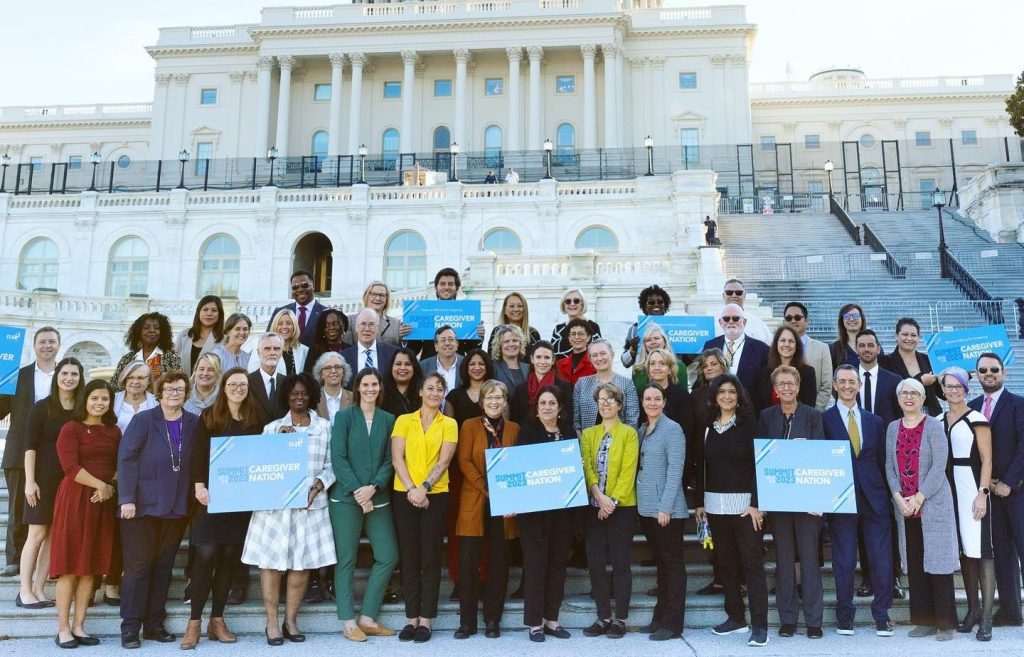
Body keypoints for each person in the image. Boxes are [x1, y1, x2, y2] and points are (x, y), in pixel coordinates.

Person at [242, 372, 336, 645]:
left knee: (301, 566)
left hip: (310, 505)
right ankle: (271, 622)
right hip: (275, 509)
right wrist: (277, 444)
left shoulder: (325, 427)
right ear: (286, 396)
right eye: (293, 393)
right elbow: (259, 467)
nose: (298, 397)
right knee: (270, 565)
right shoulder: (271, 429)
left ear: (312, 396)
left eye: (304, 393)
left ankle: (290, 621)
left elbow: (332, 465)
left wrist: (317, 487)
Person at [182, 368, 262, 649]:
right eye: (232, 384)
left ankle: (217, 620)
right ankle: (194, 623)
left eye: (242, 384)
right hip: (211, 498)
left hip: (240, 500)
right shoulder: (209, 417)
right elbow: (197, 455)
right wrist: (199, 486)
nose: (238, 388)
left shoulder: (255, 419)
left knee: (230, 556)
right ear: (224, 387)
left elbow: (261, 454)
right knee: (206, 554)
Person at [117, 371, 198, 649]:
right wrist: (126, 498)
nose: (175, 393)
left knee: (163, 568)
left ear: (186, 393)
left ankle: (153, 625)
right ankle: (130, 628)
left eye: (180, 389)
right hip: (141, 507)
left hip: (177, 507)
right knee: (138, 567)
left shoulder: (194, 423)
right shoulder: (143, 420)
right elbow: (126, 458)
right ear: (159, 392)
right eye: (169, 389)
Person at [694, 373, 769, 647]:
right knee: (725, 564)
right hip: (715, 507)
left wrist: (756, 504)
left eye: (732, 392)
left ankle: (760, 625)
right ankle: (736, 618)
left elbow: (761, 465)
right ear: (714, 396)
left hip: (745, 509)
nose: (727, 396)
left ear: (739, 396)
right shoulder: (707, 426)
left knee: (752, 566)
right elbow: (701, 466)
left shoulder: (750, 425)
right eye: (722, 391)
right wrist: (700, 503)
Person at [823, 365, 895, 638]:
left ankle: (882, 616)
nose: (847, 386)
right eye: (841, 381)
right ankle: (844, 616)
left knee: (880, 559)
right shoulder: (825, 420)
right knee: (843, 561)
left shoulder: (875, 421)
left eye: (851, 381)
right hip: (840, 499)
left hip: (874, 499)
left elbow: (881, 461)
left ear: (859, 385)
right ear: (834, 385)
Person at [885, 378, 958, 641]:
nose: (909, 397)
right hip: (905, 507)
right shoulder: (893, 428)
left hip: (932, 503)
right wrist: (898, 497)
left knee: (938, 563)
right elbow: (890, 468)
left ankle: (945, 623)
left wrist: (919, 497)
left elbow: (940, 465)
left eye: (914, 393)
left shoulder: (934, 427)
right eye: (904, 393)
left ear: (923, 398)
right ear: (898, 398)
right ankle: (924, 620)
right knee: (916, 564)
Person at [329, 367, 399, 642]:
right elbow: (338, 457)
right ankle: (348, 620)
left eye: (375, 384)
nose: (370, 389)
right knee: (346, 559)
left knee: (388, 554)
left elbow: (389, 459)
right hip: (346, 498)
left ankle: (368, 617)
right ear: (357, 388)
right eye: (365, 384)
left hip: (377, 496)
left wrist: (373, 489)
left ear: (380, 388)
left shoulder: (388, 419)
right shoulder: (344, 417)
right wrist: (359, 491)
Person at [49, 379, 120, 648]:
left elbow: (118, 464)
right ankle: (63, 628)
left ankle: (80, 626)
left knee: (91, 568)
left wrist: (110, 486)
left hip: (102, 502)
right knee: (69, 567)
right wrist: (100, 485)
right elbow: (70, 467)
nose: (100, 403)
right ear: (85, 400)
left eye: (104, 399)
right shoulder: (71, 428)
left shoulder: (114, 431)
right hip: (76, 500)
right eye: (94, 398)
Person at [756, 366, 825, 639]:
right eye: (781, 384)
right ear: (775, 388)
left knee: (809, 560)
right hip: (779, 499)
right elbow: (760, 458)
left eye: (791, 383)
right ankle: (787, 619)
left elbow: (819, 455)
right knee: (784, 560)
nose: (786, 388)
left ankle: (814, 620)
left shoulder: (812, 416)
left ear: (798, 386)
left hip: (807, 499)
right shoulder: (766, 416)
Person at [390, 373, 459, 643]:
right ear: (420, 392)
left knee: (430, 557)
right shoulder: (403, 421)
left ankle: (426, 619)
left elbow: (444, 461)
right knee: (409, 557)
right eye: (429, 388)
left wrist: (425, 487)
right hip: (404, 494)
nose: (434, 393)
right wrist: (412, 490)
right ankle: (411, 618)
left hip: (435, 495)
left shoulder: (449, 423)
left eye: (439, 389)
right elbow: (397, 458)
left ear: (443, 394)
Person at [454, 380, 520, 639]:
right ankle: (467, 622)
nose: (494, 402)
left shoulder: (514, 429)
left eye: (499, 397)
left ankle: (493, 620)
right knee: (469, 563)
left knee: (498, 563)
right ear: (482, 402)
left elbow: (518, 464)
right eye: (489, 397)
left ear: (505, 402)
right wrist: (487, 488)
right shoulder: (469, 426)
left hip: (505, 506)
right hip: (476, 500)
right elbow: (464, 460)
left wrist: (509, 495)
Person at [19, 356, 84, 610]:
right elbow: (29, 446)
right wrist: (30, 481)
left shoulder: (81, 410)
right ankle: (24, 589)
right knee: (36, 534)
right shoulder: (42, 407)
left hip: (68, 480)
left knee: (54, 536)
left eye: (74, 374)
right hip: (42, 480)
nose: (69, 378)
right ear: (57, 376)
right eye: (64, 373)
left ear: (80, 378)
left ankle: (39, 588)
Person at [967, 352, 1024, 628]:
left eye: (993, 369)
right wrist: (985, 483)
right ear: (976, 374)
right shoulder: (972, 406)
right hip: (988, 492)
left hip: (1017, 492)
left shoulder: (1019, 404)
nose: (988, 373)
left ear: (1004, 372)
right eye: (982, 370)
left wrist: (1009, 483)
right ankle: (1012, 611)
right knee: (1001, 553)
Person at [579, 382, 639, 639]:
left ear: (619, 404)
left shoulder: (629, 433)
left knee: (620, 562)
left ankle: (620, 619)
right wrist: (599, 497)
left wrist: (611, 501)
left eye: (610, 399)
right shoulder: (589, 434)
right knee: (595, 563)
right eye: (601, 400)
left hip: (622, 508)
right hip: (594, 508)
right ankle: (603, 616)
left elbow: (628, 470)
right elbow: (587, 468)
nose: (605, 404)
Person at [939, 366, 994, 641]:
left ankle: (986, 618)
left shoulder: (977, 418)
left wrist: (982, 493)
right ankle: (972, 611)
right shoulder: (937, 419)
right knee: (964, 553)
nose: (953, 390)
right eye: (949, 386)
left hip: (971, 487)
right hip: (948, 492)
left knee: (981, 552)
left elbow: (987, 459)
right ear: (943, 389)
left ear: (965, 389)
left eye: (958, 386)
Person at [517, 386, 576, 642]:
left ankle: (552, 620)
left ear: (560, 407)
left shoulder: (569, 432)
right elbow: (521, 467)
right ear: (537, 407)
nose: (548, 407)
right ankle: (534, 623)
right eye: (543, 403)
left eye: (552, 403)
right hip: (534, 512)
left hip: (562, 511)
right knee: (536, 565)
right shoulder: (527, 432)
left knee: (557, 565)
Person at [1, 326, 59, 579]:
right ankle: (14, 559)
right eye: (42, 342)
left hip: (54, 454)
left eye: (52, 341)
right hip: (18, 451)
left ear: (58, 345)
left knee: (52, 509)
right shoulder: (16, 375)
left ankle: (49, 561)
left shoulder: (67, 375)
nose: (47, 345)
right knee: (16, 507)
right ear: (34, 346)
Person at [635, 383, 688, 641]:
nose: (652, 403)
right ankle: (659, 617)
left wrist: (665, 507)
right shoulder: (642, 429)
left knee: (673, 566)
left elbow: (675, 472)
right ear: (642, 402)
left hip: (666, 511)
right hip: (646, 509)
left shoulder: (673, 429)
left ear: (664, 402)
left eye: (657, 399)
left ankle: (673, 623)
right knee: (662, 566)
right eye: (648, 399)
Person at [404, 268, 484, 360]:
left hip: (458, 368)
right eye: (442, 284)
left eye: (450, 284)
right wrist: (405, 335)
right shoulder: (423, 311)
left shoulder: (467, 312)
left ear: (457, 288)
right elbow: (413, 349)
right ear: (436, 288)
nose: (446, 287)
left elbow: (472, 350)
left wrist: (479, 336)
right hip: (430, 368)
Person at [573, 339, 640, 432]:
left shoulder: (627, 384)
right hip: (587, 443)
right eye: (595, 355)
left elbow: (632, 421)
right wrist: (583, 442)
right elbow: (576, 421)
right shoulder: (581, 384)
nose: (599, 358)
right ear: (590, 358)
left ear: (612, 355)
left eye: (603, 353)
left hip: (619, 442)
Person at [880, 318, 943, 415]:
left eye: (913, 335)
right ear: (896, 336)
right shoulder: (885, 362)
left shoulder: (929, 360)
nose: (909, 338)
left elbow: (942, 394)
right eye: (905, 334)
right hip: (899, 415)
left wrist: (953, 377)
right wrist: (920, 381)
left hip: (930, 415)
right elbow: (889, 392)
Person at [700, 304, 769, 393]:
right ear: (720, 322)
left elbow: (765, 385)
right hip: (715, 403)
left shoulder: (762, 349)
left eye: (736, 318)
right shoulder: (710, 345)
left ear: (744, 322)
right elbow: (702, 378)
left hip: (750, 404)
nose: (731, 321)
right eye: (726, 318)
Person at [110, 313, 183, 391]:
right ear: (139, 332)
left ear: (162, 332)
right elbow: (115, 386)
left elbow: (179, 384)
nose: (152, 330)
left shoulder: (172, 357)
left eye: (156, 328)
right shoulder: (127, 359)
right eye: (146, 328)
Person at [782, 302, 832, 410]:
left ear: (806, 321)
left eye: (797, 317)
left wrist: (814, 411)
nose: (793, 321)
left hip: (812, 412)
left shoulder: (822, 348)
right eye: (789, 318)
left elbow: (827, 385)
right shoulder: (776, 348)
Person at [509, 341, 573, 425]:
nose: (542, 362)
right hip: (528, 435)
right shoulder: (521, 389)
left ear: (553, 360)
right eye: (538, 357)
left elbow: (568, 417)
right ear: (532, 359)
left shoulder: (564, 387)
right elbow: (515, 419)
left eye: (546, 357)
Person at [754, 326, 816, 411]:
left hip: (798, 422)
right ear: (776, 344)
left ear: (797, 345)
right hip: (769, 422)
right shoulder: (764, 372)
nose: (786, 344)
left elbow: (809, 405)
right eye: (782, 340)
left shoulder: (808, 372)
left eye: (791, 341)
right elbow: (759, 404)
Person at [267, 269, 327, 348]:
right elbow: (268, 339)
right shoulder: (280, 312)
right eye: (295, 287)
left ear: (313, 286)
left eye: (304, 285)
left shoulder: (326, 313)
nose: (300, 290)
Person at [341, 308, 398, 390]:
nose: (367, 329)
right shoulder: (343, 357)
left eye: (371, 324)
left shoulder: (392, 353)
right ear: (356, 328)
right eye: (363, 324)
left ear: (378, 328)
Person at [855, 329, 900, 427]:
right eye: (862, 345)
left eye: (870, 345)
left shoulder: (894, 381)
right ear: (856, 349)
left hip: (885, 438)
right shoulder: (848, 381)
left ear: (878, 349)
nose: (866, 349)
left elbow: (899, 416)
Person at [621, 285, 672, 368]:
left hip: (670, 375)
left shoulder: (676, 326)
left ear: (665, 305)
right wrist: (632, 351)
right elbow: (625, 363)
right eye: (651, 302)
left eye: (660, 302)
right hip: (643, 375)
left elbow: (687, 362)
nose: (656, 305)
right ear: (644, 306)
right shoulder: (635, 329)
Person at [344, 281, 404, 346]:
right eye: (374, 294)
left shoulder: (396, 324)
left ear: (387, 299)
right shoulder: (350, 320)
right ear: (366, 296)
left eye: (382, 295)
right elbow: (347, 348)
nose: (378, 298)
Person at [175, 295, 225, 374]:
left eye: (214, 310)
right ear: (198, 312)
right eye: (205, 309)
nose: (209, 313)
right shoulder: (184, 335)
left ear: (220, 314)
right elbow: (172, 362)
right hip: (183, 385)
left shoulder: (224, 339)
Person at [444, 348, 493, 428]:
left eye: (481, 364)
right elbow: (447, 428)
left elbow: (505, 426)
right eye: (472, 364)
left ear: (487, 366)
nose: (477, 368)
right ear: (466, 367)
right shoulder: (454, 396)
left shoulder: (497, 393)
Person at [254, 308, 308, 376]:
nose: (284, 327)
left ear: (294, 326)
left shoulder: (304, 350)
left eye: (288, 323)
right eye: (280, 323)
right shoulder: (262, 347)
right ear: (274, 326)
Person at [550, 289, 602, 359]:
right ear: (563, 305)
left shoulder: (593, 327)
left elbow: (598, 354)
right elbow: (552, 356)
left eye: (576, 301)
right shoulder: (558, 330)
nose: (572, 304)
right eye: (568, 301)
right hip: (561, 369)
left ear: (582, 304)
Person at [247, 334, 287, 422]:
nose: (272, 352)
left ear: (281, 353)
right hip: (255, 434)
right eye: (267, 348)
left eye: (276, 349)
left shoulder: (288, 383)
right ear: (258, 352)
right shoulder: (247, 382)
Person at [114, 361, 158, 434]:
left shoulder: (157, 403)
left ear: (149, 381)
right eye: (130, 377)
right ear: (125, 379)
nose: (135, 382)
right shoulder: (113, 401)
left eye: (140, 378)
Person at [304, 308, 351, 375]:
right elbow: (308, 377)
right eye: (326, 325)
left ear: (343, 325)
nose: (331, 327)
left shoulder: (351, 350)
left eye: (335, 323)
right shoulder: (314, 351)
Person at [420, 325, 463, 393]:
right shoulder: (423, 366)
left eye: (451, 339)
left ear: (457, 344)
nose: (447, 343)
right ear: (436, 346)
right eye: (443, 340)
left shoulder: (466, 364)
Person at [381, 348, 423, 417]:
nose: (403, 368)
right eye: (398, 364)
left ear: (414, 367)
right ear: (391, 367)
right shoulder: (381, 392)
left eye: (407, 364)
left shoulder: (423, 393)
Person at [313, 352, 353, 422]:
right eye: (328, 368)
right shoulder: (313, 398)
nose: (333, 371)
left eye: (337, 367)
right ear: (321, 374)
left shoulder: (354, 398)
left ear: (343, 372)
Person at [556, 318, 597, 385]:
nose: (577, 337)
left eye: (581, 334)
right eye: (573, 334)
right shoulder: (560, 364)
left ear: (588, 338)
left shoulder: (595, 362)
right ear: (569, 338)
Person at [490, 324, 529, 394]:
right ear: (499, 345)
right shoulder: (493, 368)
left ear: (520, 343)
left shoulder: (528, 368)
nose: (511, 344)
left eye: (515, 340)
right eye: (506, 341)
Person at [830, 303, 867, 369]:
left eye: (856, 316)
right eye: (847, 316)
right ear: (842, 321)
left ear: (862, 319)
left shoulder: (873, 345)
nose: (852, 319)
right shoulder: (834, 348)